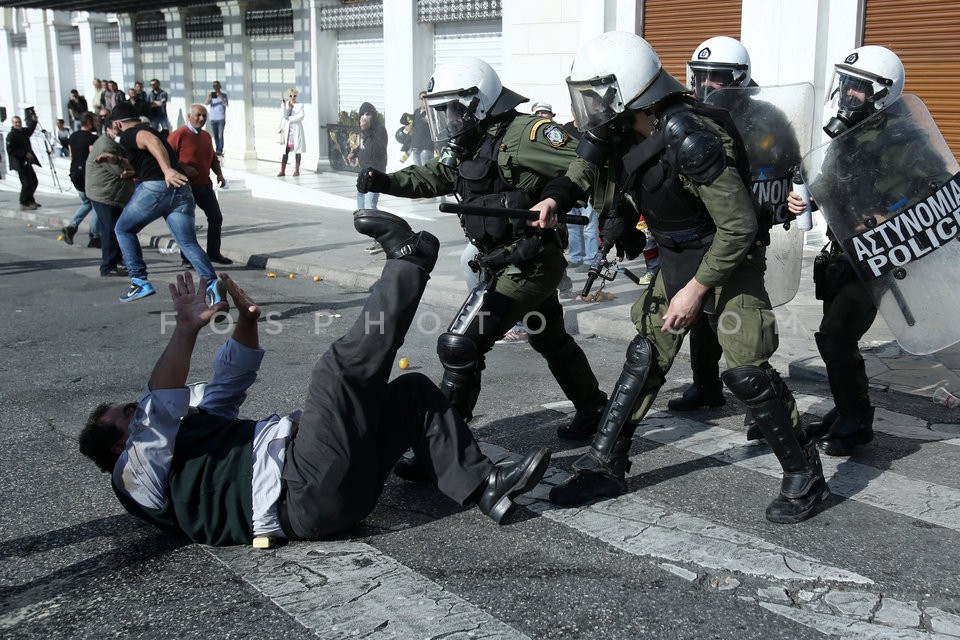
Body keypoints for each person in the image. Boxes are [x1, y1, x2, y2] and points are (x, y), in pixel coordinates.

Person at [78, 212, 552, 545]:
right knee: (338, 371)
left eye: (133, 409)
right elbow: (160, 402)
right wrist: (185, 329)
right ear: (120, 447)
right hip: (300, 493)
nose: (139, 412)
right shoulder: (135, 477)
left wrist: (247, 317)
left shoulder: (188, 433)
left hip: (332, 485)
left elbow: (231, 378)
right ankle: (408, 261)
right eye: (129, 418)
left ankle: (485, 486)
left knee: (411, 393)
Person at [531, 31, 828, 524]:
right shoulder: (619, 127)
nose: (593, 106)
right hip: (675, 255)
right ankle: (604, 464)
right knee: (646, 355)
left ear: (630, 89)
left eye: (600, 93)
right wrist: (553, 200)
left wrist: (694, 291)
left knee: (747, 370)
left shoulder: (690, 138)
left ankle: (803, 472)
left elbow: (738, 227)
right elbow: (581, 172)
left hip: (727, 256)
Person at [357, 56, 608, 442]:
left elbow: (588, 161)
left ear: (479, 101)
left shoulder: (526, 133)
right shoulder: (468, 140)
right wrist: (385, 182)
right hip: (503, 261)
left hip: (532, 262)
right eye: (442, 111)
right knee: (550, 338)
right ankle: (594, 409)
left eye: (453, 109)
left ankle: (445, 448)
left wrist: (562, 200)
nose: (448, 118)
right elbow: (439, 175)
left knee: (462, 343)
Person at [785, 46, 927, 457]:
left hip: (880, 256)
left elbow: (931, 189)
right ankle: (848, 409)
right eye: (845, 84)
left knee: (835, 336)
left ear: (882, 93)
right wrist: (809, 198)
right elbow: (832, 182)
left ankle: (856, 422)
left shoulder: (904, 138)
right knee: (836, 339)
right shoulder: (850, 134)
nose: (848, 94)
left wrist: (891, 214)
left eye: (858, 88)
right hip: (844, 251)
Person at [109, 102, 222, 304]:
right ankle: (212, 284)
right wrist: (117, 161)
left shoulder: (134, 132)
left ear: (117, 124)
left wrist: (167, 171)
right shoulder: (148, 129)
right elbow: (149, 155)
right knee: (187, 242)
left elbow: (152, 142)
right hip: (180, 189)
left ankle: (139, 280)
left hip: (157, 187)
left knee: (123, 229)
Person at [167, 104, 233, 265]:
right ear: (189, 116)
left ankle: (213, 253)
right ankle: (187, 258)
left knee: (216, 217)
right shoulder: (179, 134)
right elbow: (166, 157)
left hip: (204, 185)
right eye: (198, 115)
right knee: (187, 223)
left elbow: (212, 159)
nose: (201, 119)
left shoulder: (206, 136)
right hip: (185, 186)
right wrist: (182, 167)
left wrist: (219, 174)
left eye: (204, 115)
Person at [87, 117, 135, 276]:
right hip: (104, 193)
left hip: (113, 193)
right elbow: (119, 171)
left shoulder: (115, 144)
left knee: (116, 227)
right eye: (116, 127)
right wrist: (134, 171)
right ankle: (108, 266)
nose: (120, 130)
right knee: (109, 229)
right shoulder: (106, 145)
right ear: (108, 129)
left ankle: (116, 260)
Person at [62, 111, 101, 248]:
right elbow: (94, 157)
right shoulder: (92, 138)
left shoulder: (72, 136)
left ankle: (72, 227)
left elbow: (71, 155)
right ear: (89, 123)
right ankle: (95, 236)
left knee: (87, 202)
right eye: (95, 121)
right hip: (87, 174)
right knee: (96, 204)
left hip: (75, 173)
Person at [348, 102, 388, 211]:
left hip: (375, 171)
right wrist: (354, 153)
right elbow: (363, 146)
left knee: (370, 205)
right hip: (363, 171)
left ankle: (374, 226)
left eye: (368, 114)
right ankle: (364, 225)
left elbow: (376, 149)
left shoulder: (379, 130)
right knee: (361, 202)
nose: (364, 117)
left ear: (373, 116)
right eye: (363, 114)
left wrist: (366, 130)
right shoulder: (364, 132)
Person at [5, 112, 42, 211]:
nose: (18, 124)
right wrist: (24, 154)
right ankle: (24, 202)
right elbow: (10, 150)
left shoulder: (23, 132)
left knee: (34, 182)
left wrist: (34, 120)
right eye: (16, 122)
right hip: (20, 163)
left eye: (19, 122)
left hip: (28, 162)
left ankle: (30, 200)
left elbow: (30, 129)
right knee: (26, 184)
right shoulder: (11, 135)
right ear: (12, 124)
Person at [277, 87, 305, 177]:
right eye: (290, 95)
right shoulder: (287, 104)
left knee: (298, 150)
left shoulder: (300, 105)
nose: (292, 97)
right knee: (285, 151)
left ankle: (297, 170)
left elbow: (301, 116)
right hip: (288, 132)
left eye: (294, 96)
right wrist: (284, 105)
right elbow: (283, 115)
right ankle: (282, 170)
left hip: (296, 131)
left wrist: (290, 118)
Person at [204, 80, 228, 156]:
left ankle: (220, 150)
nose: (216, 87)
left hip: (220, 118)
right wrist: (208, 97)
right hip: (213, 118)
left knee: (220, 134)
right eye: (214, 86)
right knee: (215, 135)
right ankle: (217, 148)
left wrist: (220, 95)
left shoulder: (224, 95)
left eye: (217, 86)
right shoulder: (212, 96)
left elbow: (225, 104)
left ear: (220, 86)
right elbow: (206, 103)